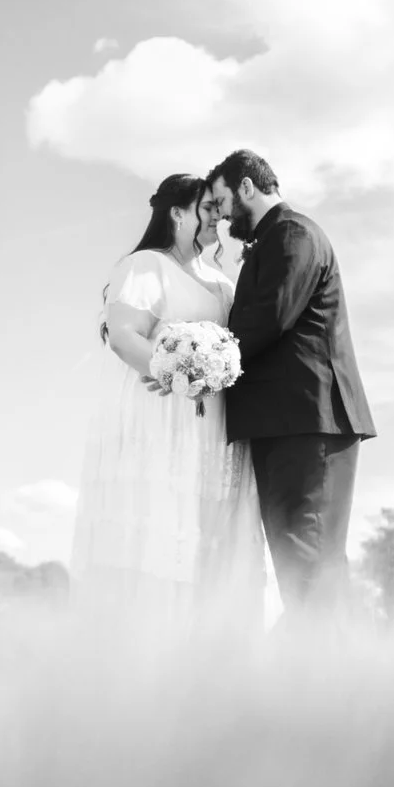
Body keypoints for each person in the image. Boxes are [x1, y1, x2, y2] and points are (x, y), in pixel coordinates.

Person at [66, 174, 267, 629]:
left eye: (220, 207)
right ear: (177, 213)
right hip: (164, 419)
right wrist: (174, 373)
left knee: (212, 535)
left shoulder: (222, 282)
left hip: (217, 429)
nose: (219, 216)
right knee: (164, 532)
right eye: (208, 208)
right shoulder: (145, 266)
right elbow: (122, 336)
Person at [204, 149, 375, 624]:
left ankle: (329, 681)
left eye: (220, 202)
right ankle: (330, 679)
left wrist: (206, 359)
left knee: (308, 556)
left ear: (245, 188)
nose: (219, 216)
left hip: (307, 419)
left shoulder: (292, 234)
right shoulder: (275, 237)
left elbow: (270, 317)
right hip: (289, 421)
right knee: (302, 560)